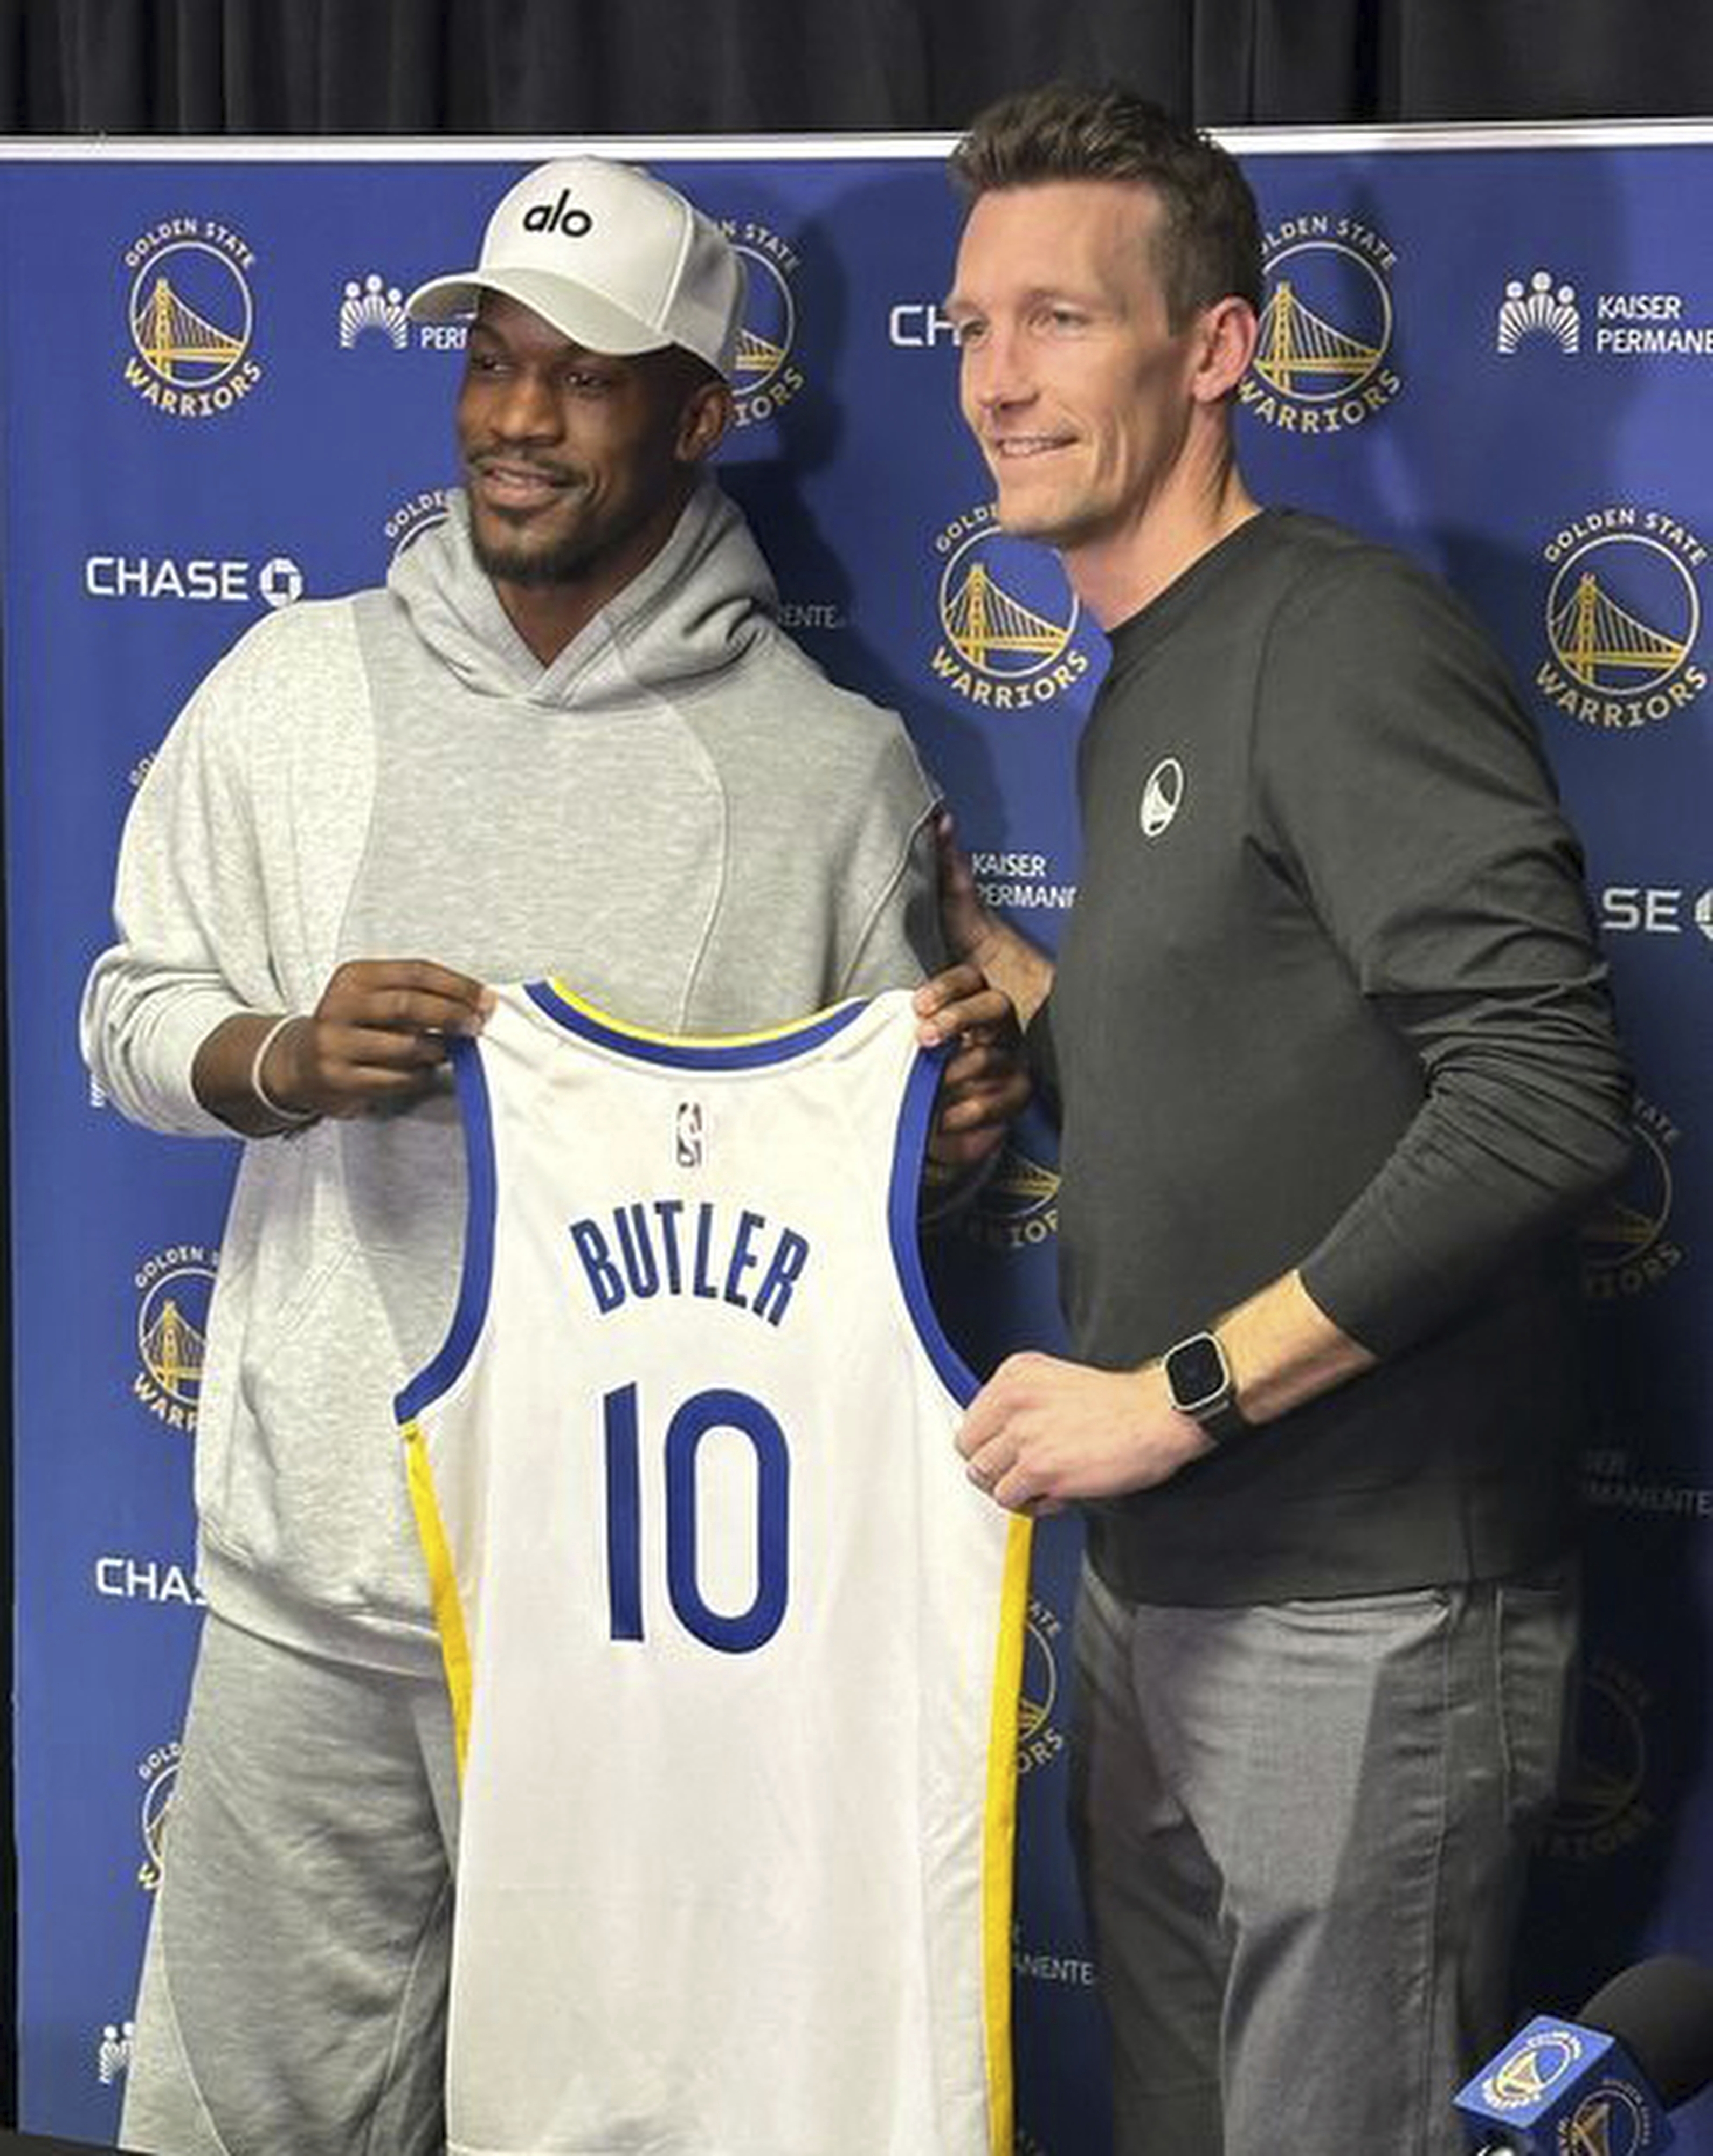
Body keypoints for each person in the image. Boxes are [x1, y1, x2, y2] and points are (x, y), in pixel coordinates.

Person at [82, 154, 1017, 2156]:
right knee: (247, 2127)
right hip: (308, 1593)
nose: (516, 419)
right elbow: (127, 1017)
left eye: (583, 380)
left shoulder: (825, 771)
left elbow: (853, 1218)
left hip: (639, 1641)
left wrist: (942, 1145)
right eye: (495, 365)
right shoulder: (289, 686)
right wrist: (279, 1052)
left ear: (698, 414)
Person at [928, 84, 1634, 2156]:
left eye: (1056, 321)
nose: (993, 382)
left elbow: (1542, 1101)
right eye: (971, 328)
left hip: (1365, 1616)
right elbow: (1249, 1052)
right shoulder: (1146, 667)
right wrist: (1005, 985)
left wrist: (1175, 1397)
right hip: (1164, 1587)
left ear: (1217, 350)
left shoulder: (1337, 641)